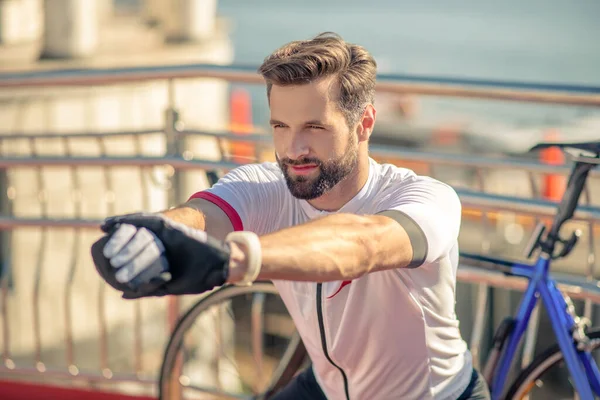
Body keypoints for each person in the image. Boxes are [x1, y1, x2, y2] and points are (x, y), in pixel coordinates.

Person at [91, 32, 490, 400]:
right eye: (280, 126)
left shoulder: (426, 198)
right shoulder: (266, 186)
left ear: (363, 123)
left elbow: (365, 243)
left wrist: (237, 257)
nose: (293, 148)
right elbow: (201, 215)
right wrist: (152, 233)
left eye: (315, 127)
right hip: (328, 386)